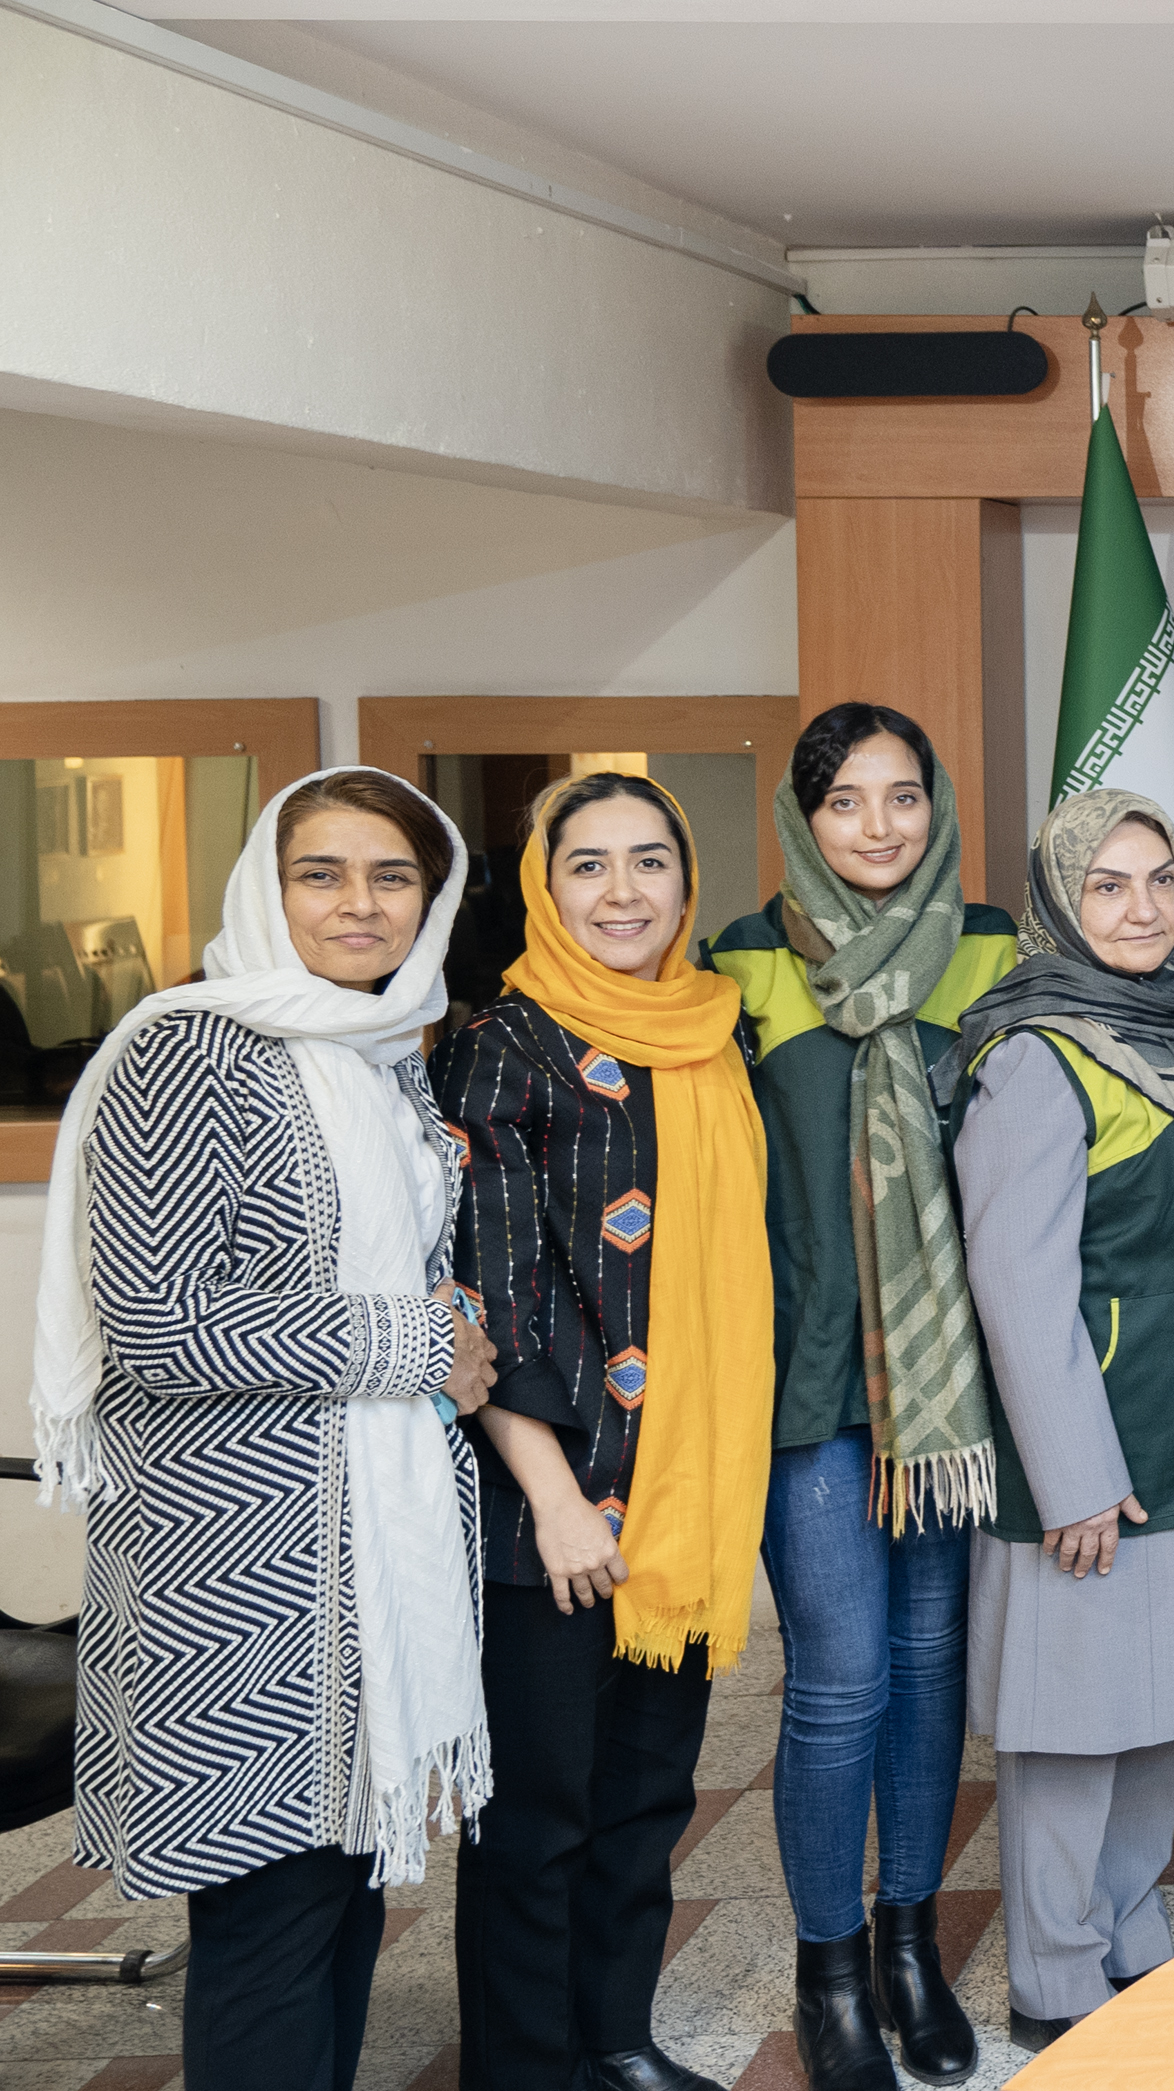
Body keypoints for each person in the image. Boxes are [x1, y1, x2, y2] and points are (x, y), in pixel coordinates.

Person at [34, 768, 497, 2091]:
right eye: (323, 872)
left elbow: (396, 1263)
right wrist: (413, 1344)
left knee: (339, 1896)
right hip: (235, 1575)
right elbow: (164, 1323)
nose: (360, 902)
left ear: (433, 897)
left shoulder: (380, 1048)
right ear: (265, 883)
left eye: (392, 876)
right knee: (270, 1916)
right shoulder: (188, 1050)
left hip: (359, 1558)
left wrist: (440, 1315)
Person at [703, 704, 1018, 2091]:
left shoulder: (996, 944)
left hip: (947, 1383)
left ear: (936, 804)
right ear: (803, 818)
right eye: (846, 802)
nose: (878, 826)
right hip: (808, 1377)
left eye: (902, 796)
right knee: (838, 1679)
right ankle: (828, 1968)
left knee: (930, 1664)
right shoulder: (746, 963)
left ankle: (909, 1942)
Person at [951, 791, 1174, 2051]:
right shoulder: (1033, 1056)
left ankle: (1126, 1925)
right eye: (1107, 885)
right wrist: (1076, 1478)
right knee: (1075, 1724)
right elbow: (1017, 1286)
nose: (1141, 908)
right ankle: (1053, 1970)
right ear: (1059, 901)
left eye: (1159, 882)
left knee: (1171, 1697)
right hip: (1093, 1448)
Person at [443, 774, 771, 2091]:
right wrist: (557, 1494)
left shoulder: (709, 1030)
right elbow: (491, 1294)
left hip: (681, 1494)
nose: (623, 891)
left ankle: (613, 2036)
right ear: (543, 885)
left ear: (687, 883)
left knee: (643, 1798)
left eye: (650, 861)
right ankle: (523, 2068)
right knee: (539, 1814)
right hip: (553, 1504)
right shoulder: (500, 1046)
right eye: (588, 864)